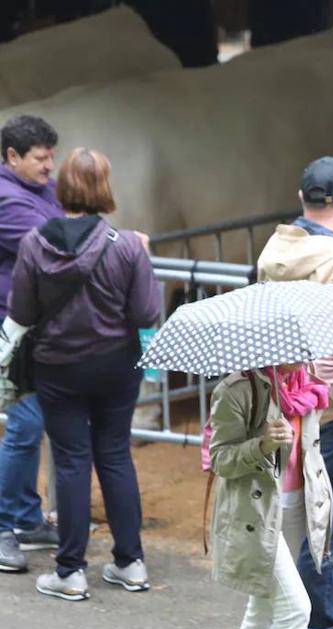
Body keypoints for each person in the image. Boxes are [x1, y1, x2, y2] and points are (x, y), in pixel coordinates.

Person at [3, 148, 159, 601]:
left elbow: (23, 311)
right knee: (115, 455)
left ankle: (70, 571)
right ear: (105, 189)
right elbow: (146, 310)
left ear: (64, 188)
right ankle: (130, 563)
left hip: (58, 367)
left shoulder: (34, 242)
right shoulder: (127, 244)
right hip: (116, 364)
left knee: (71, 461)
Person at [256, 156, 333, 629]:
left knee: (299, 520)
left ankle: (300, 621)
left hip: (286, 403)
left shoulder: (274, 250)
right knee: (330, 521)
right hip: (332, 411)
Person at [208, 361, 333, 629]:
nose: (307, 351)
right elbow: (220, 459)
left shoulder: (306, 383)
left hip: (296, 504)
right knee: (296, 607)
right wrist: (261, 444)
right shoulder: (237, 388)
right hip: (255, 513)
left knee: (265, 600)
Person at [0, 115, 63, 575]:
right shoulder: (6, 200)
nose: (49, 166)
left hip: (36, 329)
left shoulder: (44, 189)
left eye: (51, 156)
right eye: (40, 158)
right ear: (12, 158)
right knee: (25, 426)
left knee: (30, 424)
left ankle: (25, 518)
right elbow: (53, 247)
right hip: (11, 331)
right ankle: (4, 525)